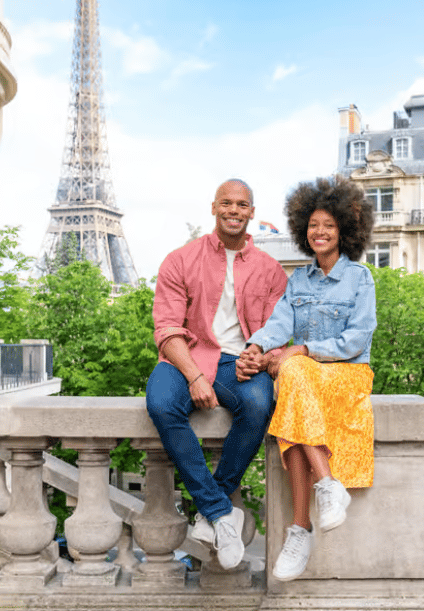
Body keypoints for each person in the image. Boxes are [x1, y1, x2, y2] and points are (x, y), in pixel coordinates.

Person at [238, 175, 377, 581]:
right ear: (303, 230)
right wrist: (256, 347)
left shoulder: (360, 278)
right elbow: (279, 323)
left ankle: (300, 528)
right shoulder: (298, 279)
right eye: (313, 225)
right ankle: (327, 487)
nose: (320, 232)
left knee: (293, 373)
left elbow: (356, 340)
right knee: (294, 380)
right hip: (307, 379)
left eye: (328, 225)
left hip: (347, 374)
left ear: (344, 230)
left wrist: (303, 349)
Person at [146, 179, 288, 570]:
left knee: (258, 403)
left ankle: (212, 509)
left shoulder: (271, 270)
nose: (233, 210)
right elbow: (167, 329)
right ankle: (222, 512)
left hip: (240, 362)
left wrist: (259, 356)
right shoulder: (180, 260)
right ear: (213, 207)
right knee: (160, 403)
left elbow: (277, 331)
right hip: (186, 356)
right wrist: (194, 376)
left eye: (241, 204)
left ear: (252, 212)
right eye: (226, 203)